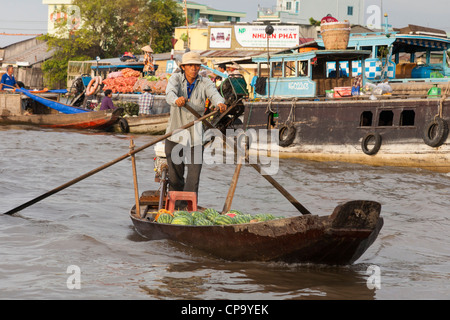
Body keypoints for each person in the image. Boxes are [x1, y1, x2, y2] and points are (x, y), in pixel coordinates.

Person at [165, 51, 227, 201]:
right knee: (174, 175)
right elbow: (169, 93)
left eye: (196, 66)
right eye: (190, 65)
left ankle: (188, 207)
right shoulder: (176, 79)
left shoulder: (205, 82)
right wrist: (176, 100)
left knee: (194, 174)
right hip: (176, 132)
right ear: (184, 67)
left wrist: (220, 103)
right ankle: (175, 205)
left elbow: (214, 94)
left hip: (196, 135)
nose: (194, 68)